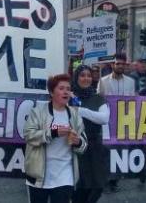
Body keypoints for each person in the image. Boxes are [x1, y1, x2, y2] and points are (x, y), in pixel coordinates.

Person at [24, 73, 87, 203]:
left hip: (65, 176)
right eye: (61, 88)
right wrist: (52, 133)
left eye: (68, 89)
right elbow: (29, 136)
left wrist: (78, 142)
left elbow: (84, 144)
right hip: (39, 175)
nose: (65, 92)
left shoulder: (74, 114)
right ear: (52, 93)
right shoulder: (38, 112)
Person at [97, 53, 135, 192]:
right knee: (107, 150)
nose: (119, 66)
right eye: (117, 63)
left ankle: (115, 180)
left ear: (125, 65)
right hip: (108, 122)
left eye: (122, 64)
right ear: (112, 65)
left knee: (121, 151)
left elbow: (133, 101)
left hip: (124, 122)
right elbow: (99, 99)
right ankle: (106, 178)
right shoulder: (103, 81)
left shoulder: (131, 82)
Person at [71, 66, 109, 203]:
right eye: (82, 75)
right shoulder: (69, 96)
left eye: (88, 75)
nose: (86, 78)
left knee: (97, 186)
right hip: (76, 147)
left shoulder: (97, 97)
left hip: (94, 148)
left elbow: (104, 118)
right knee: (79, 188)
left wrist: (80, 110)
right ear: (76, 78)